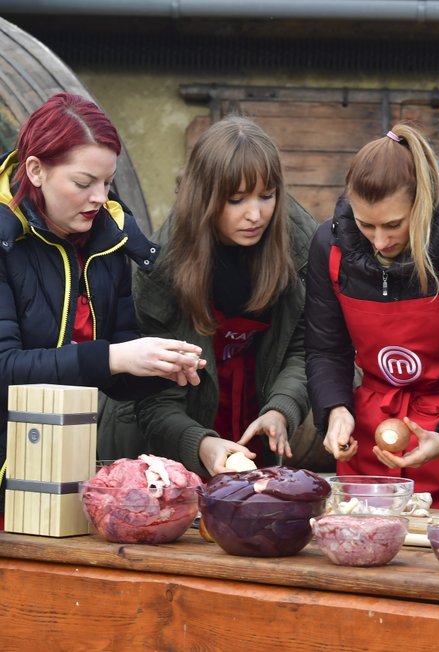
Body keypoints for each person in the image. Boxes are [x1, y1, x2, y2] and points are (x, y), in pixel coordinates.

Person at [0, 92, 203, 528]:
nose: (99, 197)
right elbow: (5, 368)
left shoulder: (105, 238)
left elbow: (110, 359)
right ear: (35, 170)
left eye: (108, 183)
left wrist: (152, 367)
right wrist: (117, 356)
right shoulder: (4, 244)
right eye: (83, 182)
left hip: (56, 467)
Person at [305, 123, 439, 511]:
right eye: (366, 225)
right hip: (368, 443)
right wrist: (335, 409)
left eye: (393, 225)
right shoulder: (330, 248)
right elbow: (324, 347)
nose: (380, 241)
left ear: (423, 204)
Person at [130, 116, 318, 478]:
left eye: (267, 196)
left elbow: (306, 346)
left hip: (258, 409)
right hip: (183, 433)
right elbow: (154, 399)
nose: (255, 214)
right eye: (236, 200)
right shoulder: (160, 268)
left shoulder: (301, 246)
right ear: (204, 199)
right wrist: (199, 442)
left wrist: (281, 408)